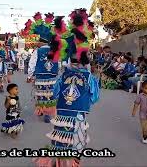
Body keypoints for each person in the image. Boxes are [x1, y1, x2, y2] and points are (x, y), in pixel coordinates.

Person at [34, 9, 100, 167]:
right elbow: (94, 98)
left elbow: (55, 92)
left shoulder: (62, 76)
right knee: (76, 141)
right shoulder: (89, 78)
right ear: (85, 60)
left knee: (60, 140)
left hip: (62, 113)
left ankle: (58, 163)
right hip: (78, 115)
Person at [27, 12, 59, 123]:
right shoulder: (54, 51)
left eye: (38, 42)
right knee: (50, 95)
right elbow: (58, 64)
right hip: (52, 77)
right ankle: (48, 113)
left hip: (40, 77)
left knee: (41, 94)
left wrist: (30, 76)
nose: (37, 43)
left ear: (41, 42)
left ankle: (42, 111)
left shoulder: (38, 51)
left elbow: (32, 64)